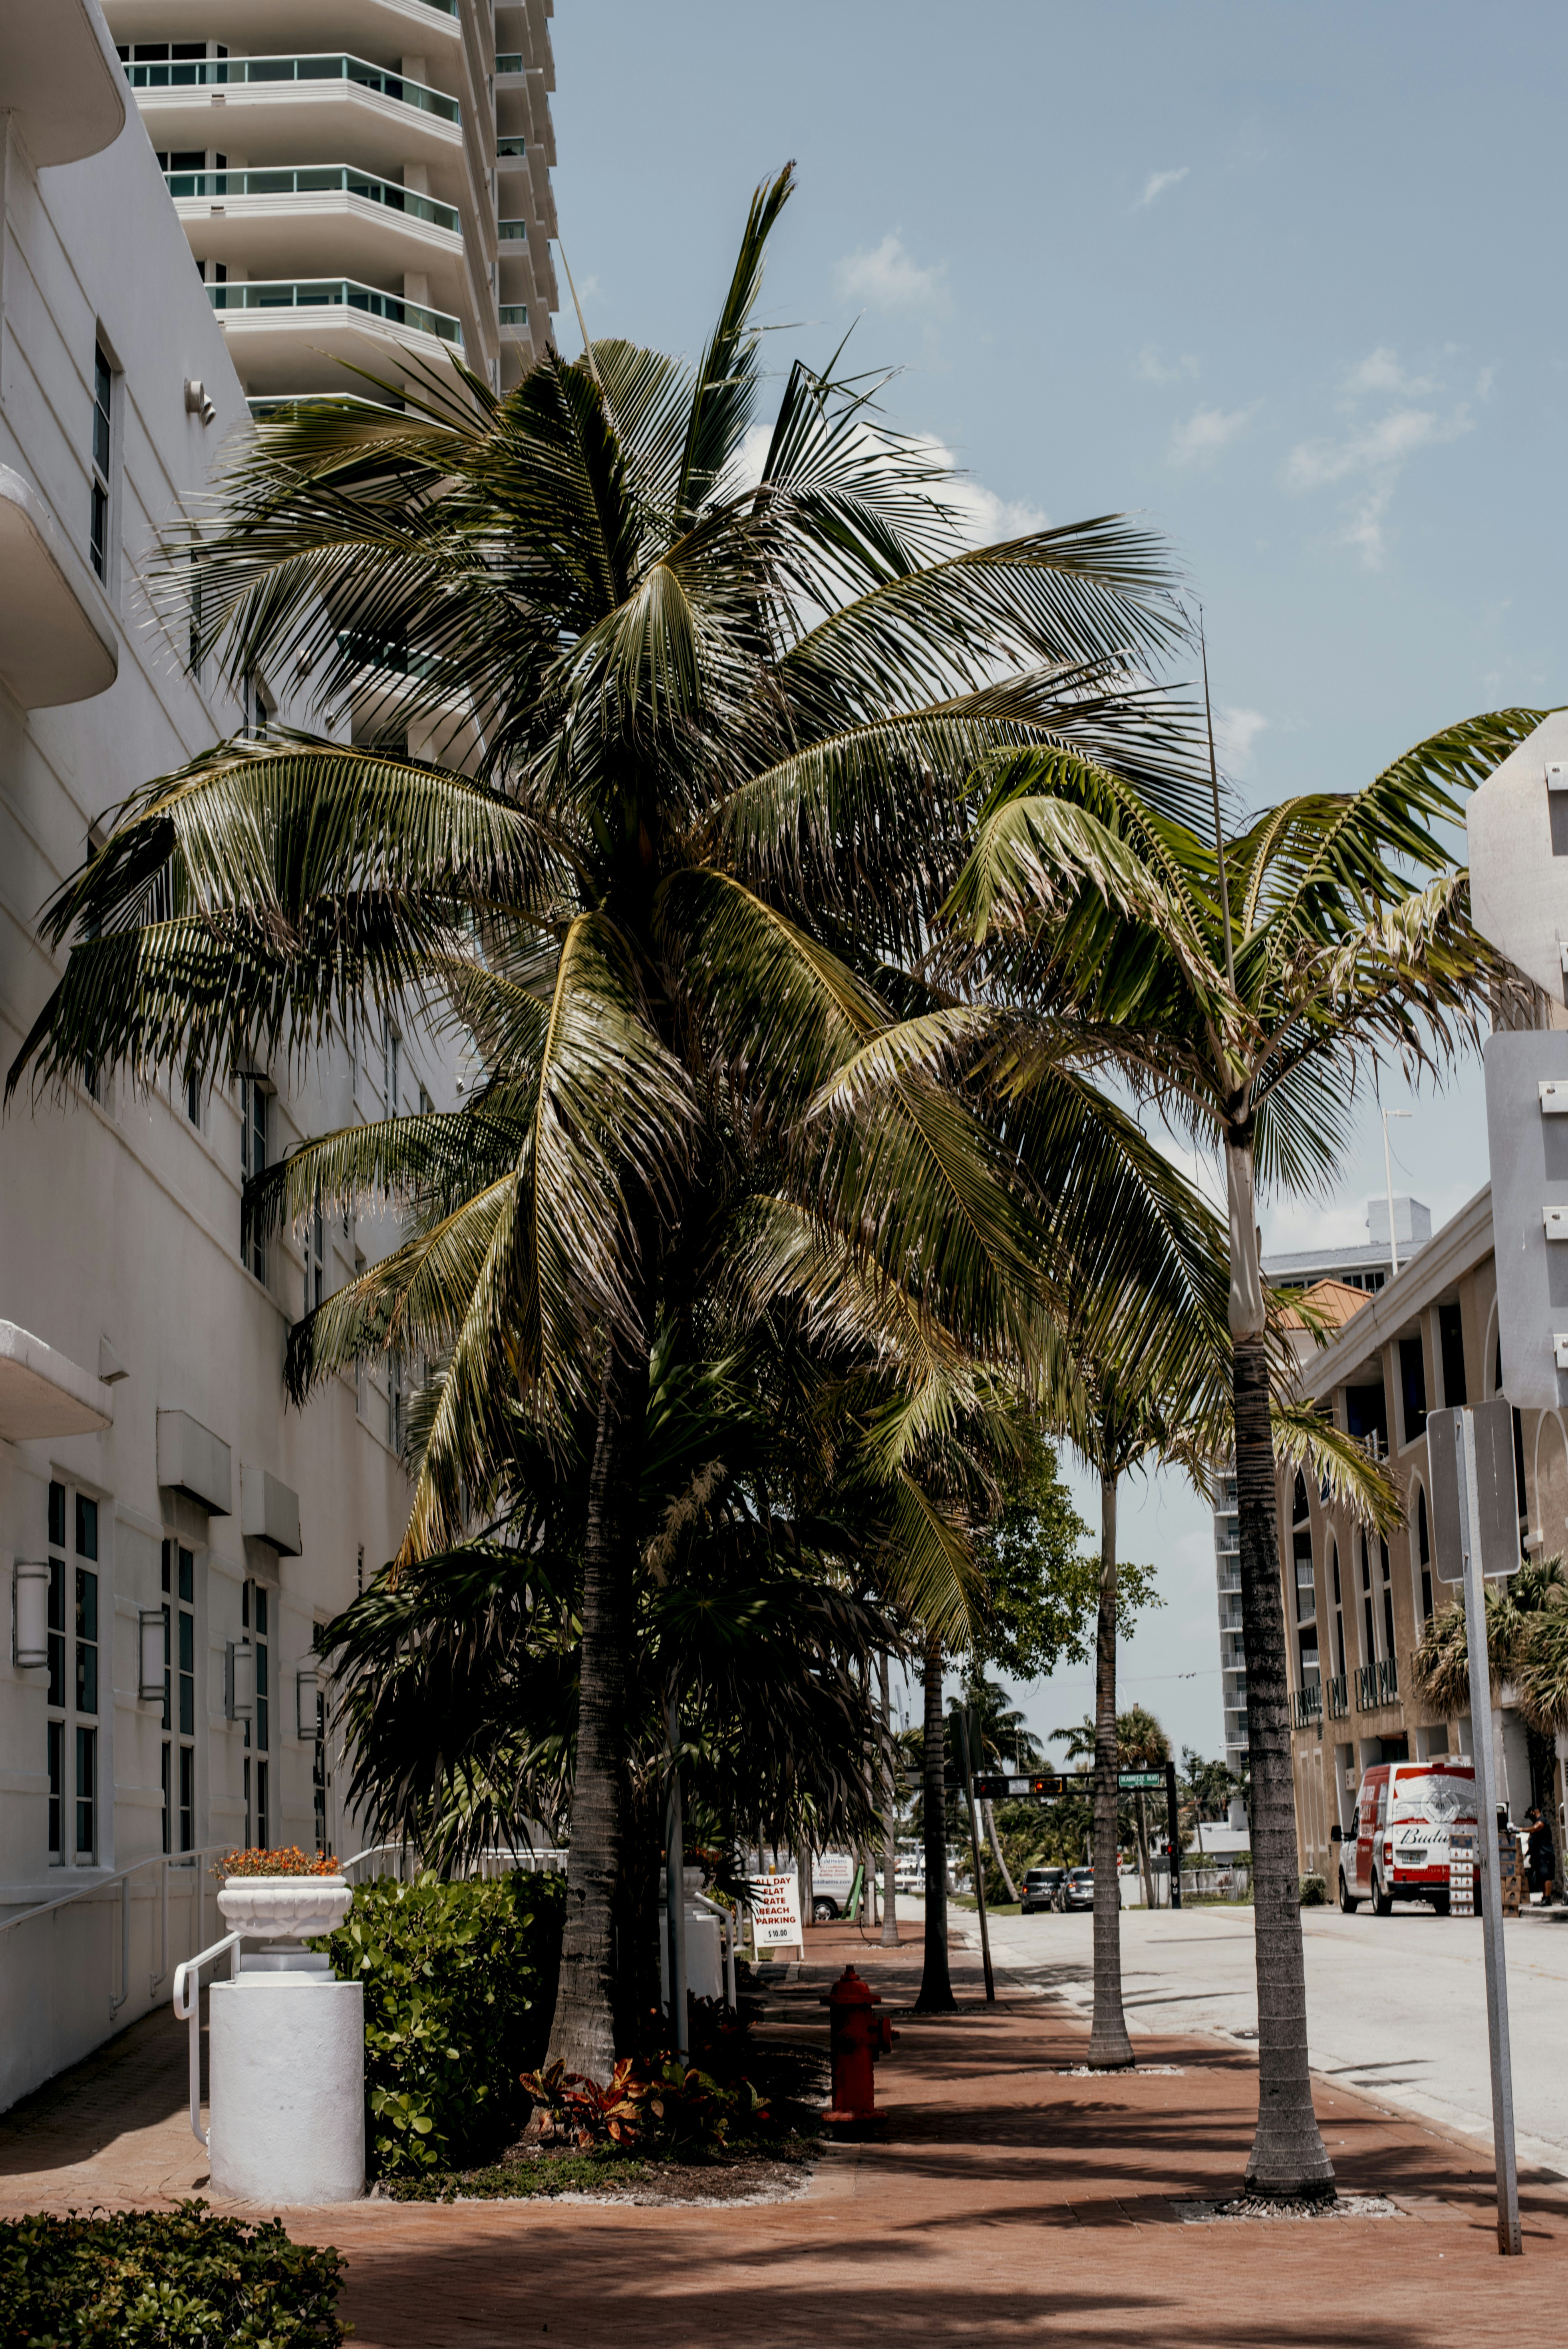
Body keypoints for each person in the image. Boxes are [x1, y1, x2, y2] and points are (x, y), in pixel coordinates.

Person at [1525, 1806, 1557, 1906]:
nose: (1530, 1818)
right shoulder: (1536, 1823)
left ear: (1534, 1812)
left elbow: (1535, 1829)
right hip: (1539, 1855)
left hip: (1545, 1854)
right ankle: (1544, 1897)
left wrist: (1519, 1829)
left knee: (1546, 1875)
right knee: (1541, 1876)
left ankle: (1547, 1899)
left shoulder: (1542, 1821)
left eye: (1530, 1815)